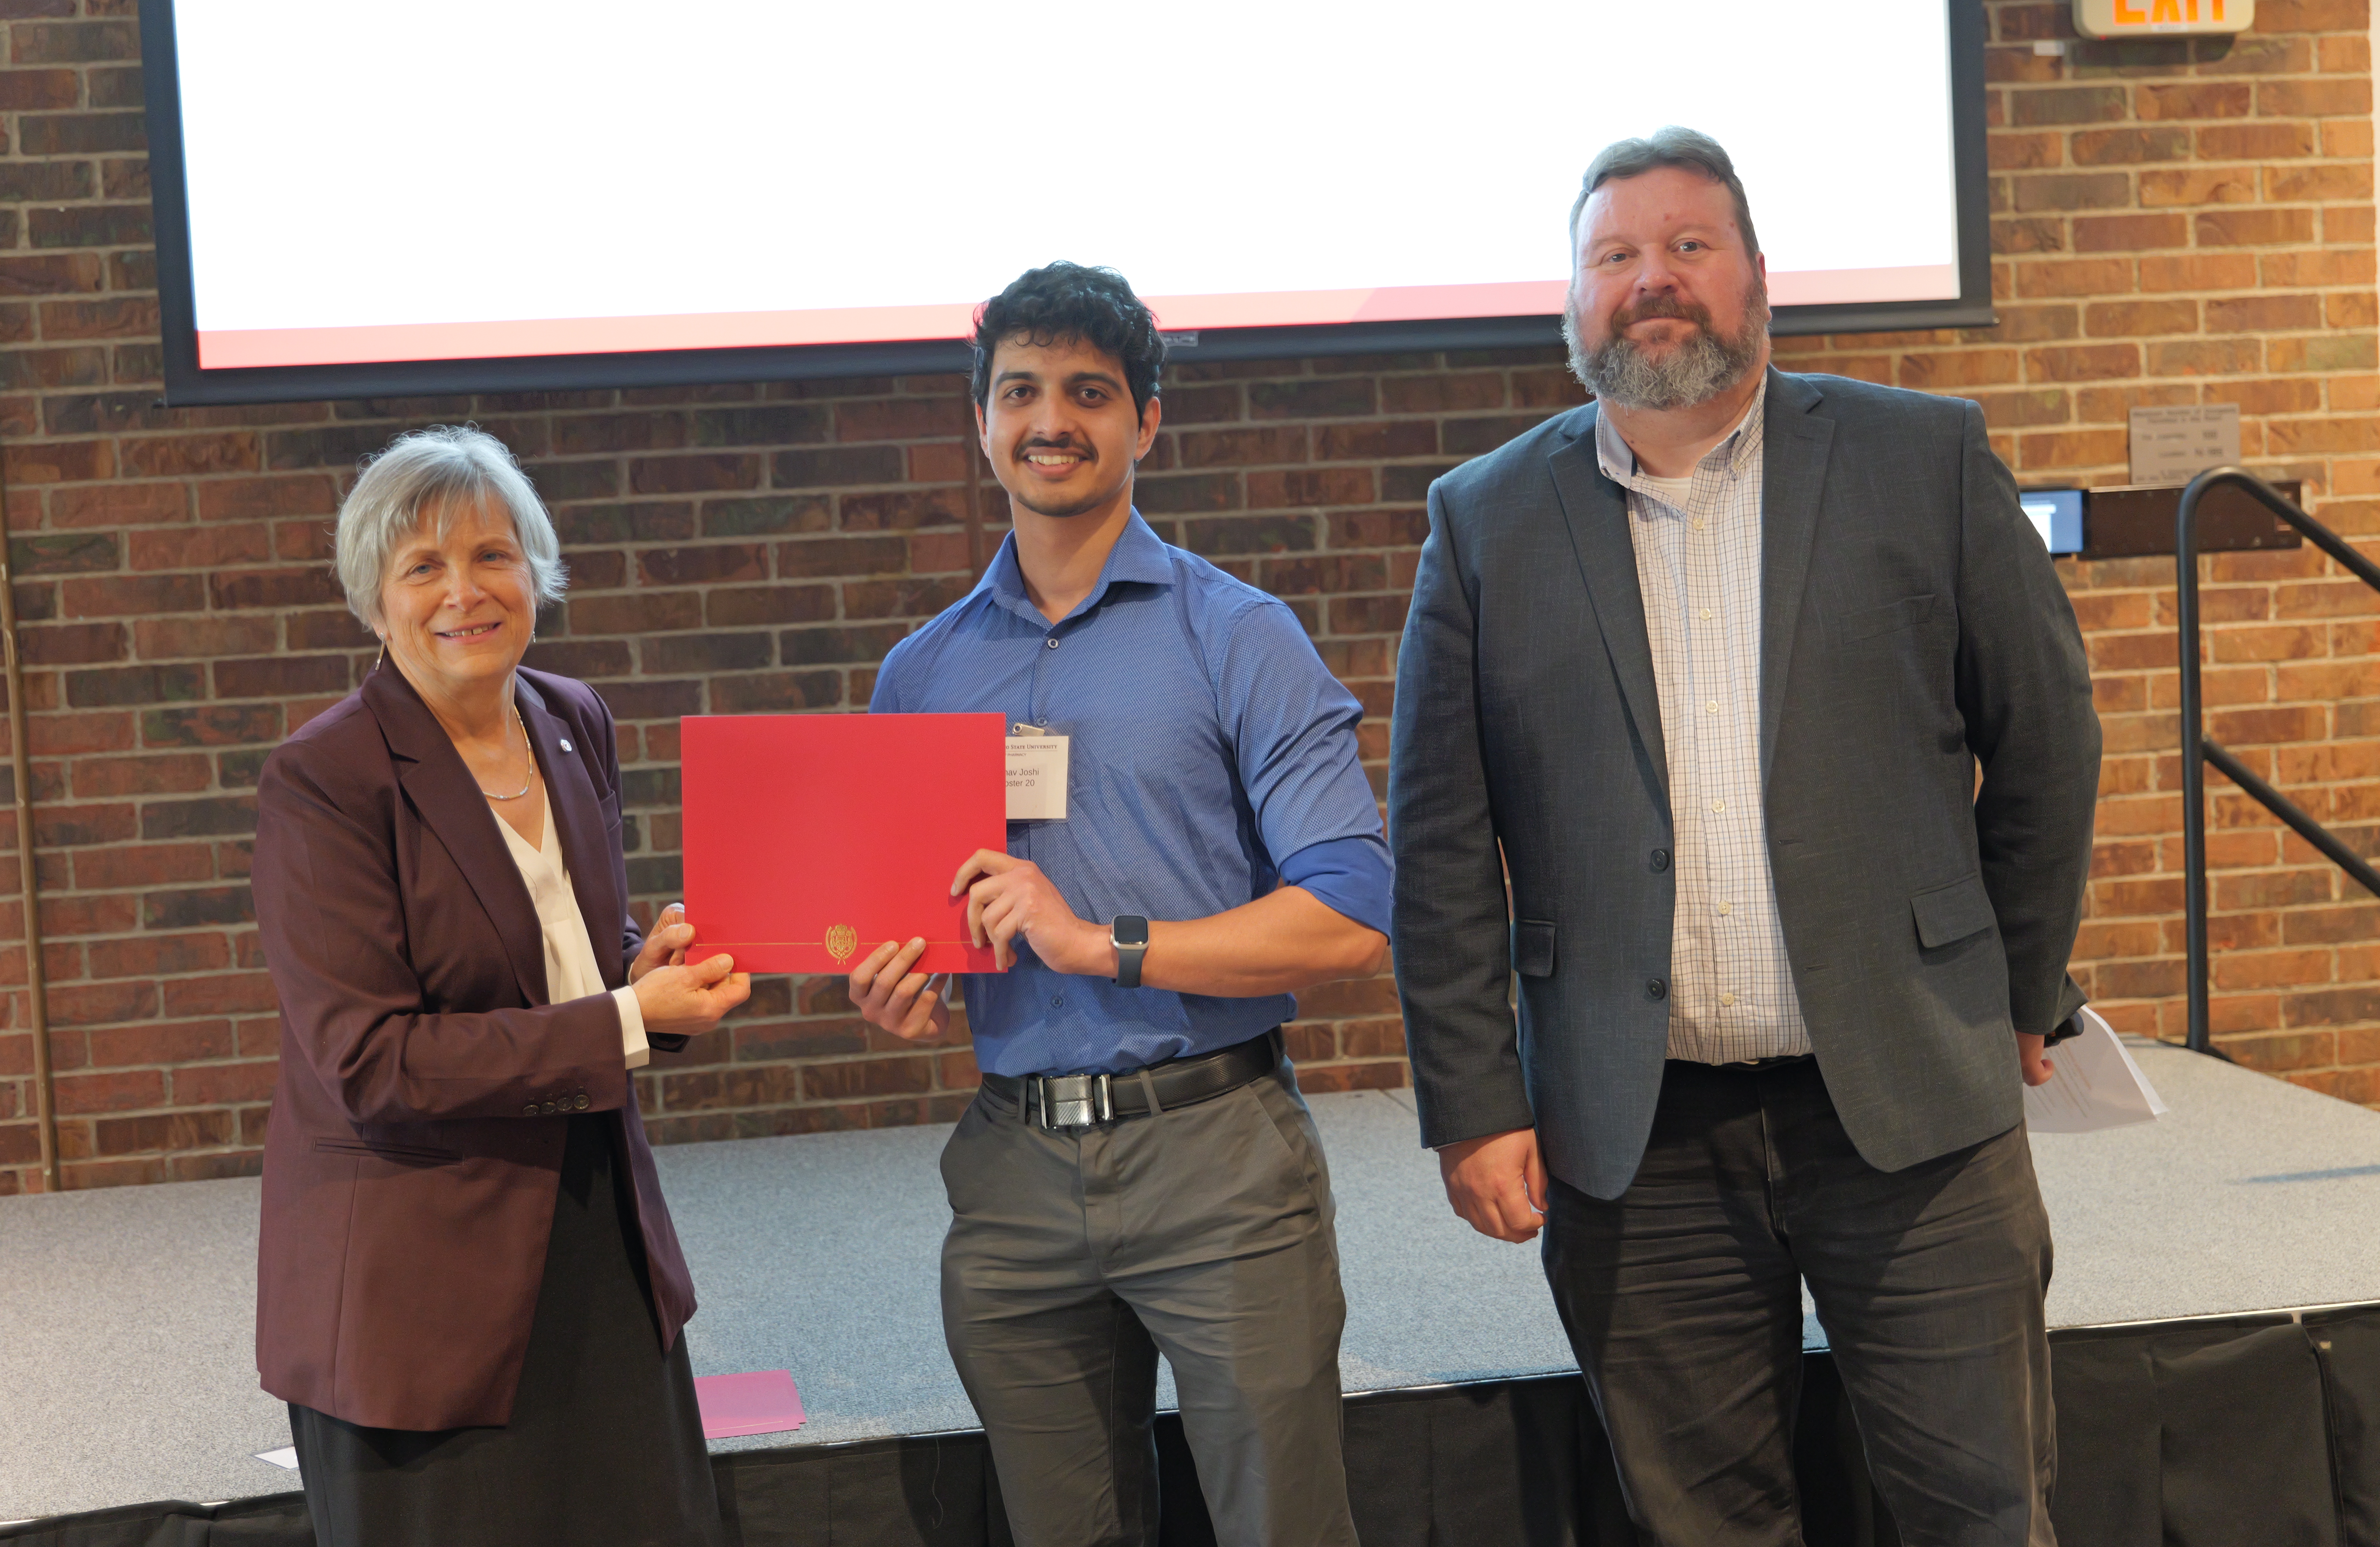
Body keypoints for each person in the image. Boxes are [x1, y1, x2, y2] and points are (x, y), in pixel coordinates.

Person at [1389, 128, 2100, 1547]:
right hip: (1634, 1136)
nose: (1651, 280)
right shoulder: (1483, 522)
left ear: (1758, 277)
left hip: (1908, 1106)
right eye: (1614, 257)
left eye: (1687, 246)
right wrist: (1475, 1100)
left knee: (1982, 1508)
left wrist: (2016, 990)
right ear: (1573, 302)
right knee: (1702, 1525)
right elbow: (1443, 841)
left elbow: (2048, 741)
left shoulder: (1923, 458)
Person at [853, 262, 1390, 1547]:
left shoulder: (1238, 636)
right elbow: (908, 931)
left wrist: (1100, 944)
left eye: (1091, 392)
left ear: (1147, 422)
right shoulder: (920, 675)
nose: (1053, 419)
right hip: (1012, 1175)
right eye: (1022, 389)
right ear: (980, 419)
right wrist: (898, 988)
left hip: (1214, 1153)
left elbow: (1351, 917)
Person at [250, 425, 750, 1545]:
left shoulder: (571, 720)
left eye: (493, 556)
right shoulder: (324, 781)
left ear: (536, 571)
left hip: (596, 1237)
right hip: (417, 1283)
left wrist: (641, 969)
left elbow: (563, 950)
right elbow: (373, 1063)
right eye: (422, 567)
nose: (464, 592)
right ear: (374, 602)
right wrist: (626, 1018)